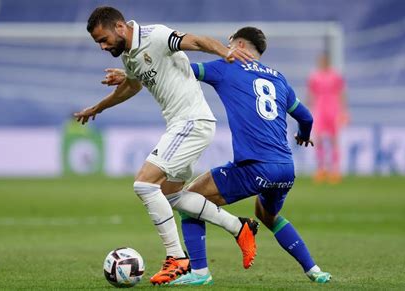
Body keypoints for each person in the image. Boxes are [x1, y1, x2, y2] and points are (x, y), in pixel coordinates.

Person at [104, 27, 332, 285]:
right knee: (268, 216)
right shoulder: (279, 78)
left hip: (255, 166)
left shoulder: (228, 66)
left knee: (189, 200)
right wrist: (303, 134)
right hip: (285, 168)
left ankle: (200, 271)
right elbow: (306, 117)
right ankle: (315, 271)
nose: (227, 45)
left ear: (241, 44)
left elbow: (179, 73)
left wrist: (130, 74)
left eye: (231, 41)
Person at [74, 6, 259, 285]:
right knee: (172, 196)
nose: (102, 46)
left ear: (120, 27)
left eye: (103, 39)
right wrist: (98, 107)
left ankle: (177, 257)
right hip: (183, 125)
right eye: (98, 42)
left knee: (144, 185)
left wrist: (224, 52)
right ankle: (239, 227)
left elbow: (196, 41)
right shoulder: (128, 54)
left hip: (191, 122)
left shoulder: (156, 35)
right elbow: (132, 87)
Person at [307, 53, 349, 184]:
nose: (322, 62)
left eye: (324, 60)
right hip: (319, 110)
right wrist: (308, 112)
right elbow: (310, 94)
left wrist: (344, 111)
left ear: (328, 61)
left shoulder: (336, 76)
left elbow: (342, 93)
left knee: (333, 140)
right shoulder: (314, 76)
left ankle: (335, 170)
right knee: (318, 139)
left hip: (333, 110)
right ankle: (321, 169)